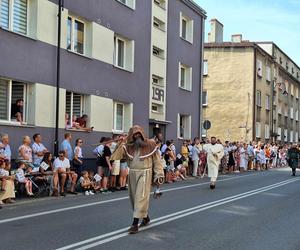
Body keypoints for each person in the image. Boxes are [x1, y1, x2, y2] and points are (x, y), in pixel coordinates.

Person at [111, 125, 164, 234]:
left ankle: (135, 224)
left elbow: (157, 162)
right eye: (135, 135)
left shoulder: (150, 144)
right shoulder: (128, 146)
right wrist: (121, 142)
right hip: (132, 174)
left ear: (142, 134)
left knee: (141, 197)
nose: (137, 136)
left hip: (145, 173)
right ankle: (145, 217)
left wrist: (159, 175)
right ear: (132, 136)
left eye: (139, 134)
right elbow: (115, 156)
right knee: (135, 199)